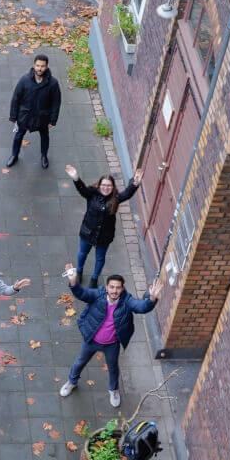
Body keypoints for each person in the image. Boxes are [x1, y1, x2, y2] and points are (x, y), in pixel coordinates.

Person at [59, 266, 161, 408]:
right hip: (91, 340)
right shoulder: (98, 295)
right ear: (106, 287)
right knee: (80, 362)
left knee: (113, 368)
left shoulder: (127, 301)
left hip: (111, 344)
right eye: (112, 287)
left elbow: (141, 307)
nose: (114, 290)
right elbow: (82, 293)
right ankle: (71, 382)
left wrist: (151, 299)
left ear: (122, 289)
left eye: (118, 288)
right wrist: (73, 282)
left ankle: (113, 390)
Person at [66, 164, 144, 288]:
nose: (106, 188)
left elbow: (127, 194)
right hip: (88, 232)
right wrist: (76, 178)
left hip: (104, 236)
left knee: (100, 258)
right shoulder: (92, 194)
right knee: (82, 253)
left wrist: (135, 183)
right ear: (99, 185)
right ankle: (79, 272)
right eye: (104, 185)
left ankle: (94, 278)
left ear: (112, 187)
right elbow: (82, 189)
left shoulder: (115, 198)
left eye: (109, 185)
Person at [6, 54, 61, 169]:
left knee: (44, 136)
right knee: (18, 135)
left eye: (42, 66)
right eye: (37, 65)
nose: (39, 68)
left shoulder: (53, 83)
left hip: (42, 117)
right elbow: (16, 98)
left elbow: (56, 103)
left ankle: (44, 156)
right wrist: (13, 116)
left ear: (46, 67)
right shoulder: (25, 80)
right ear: (34, 65)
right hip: (25, 116)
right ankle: (14, 155)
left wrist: (53, 120)